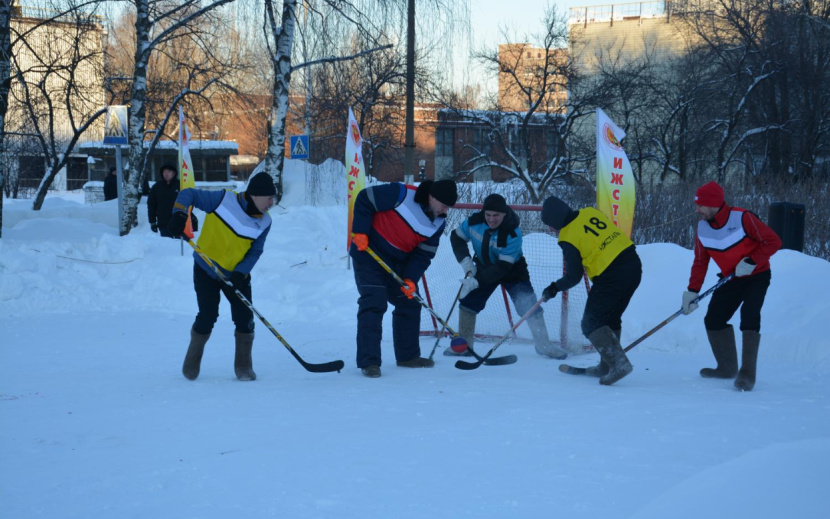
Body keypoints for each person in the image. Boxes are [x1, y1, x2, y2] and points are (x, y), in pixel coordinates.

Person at [167, 173, 276, 382]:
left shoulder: (265, 222)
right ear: (254, 195)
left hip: (236, 275)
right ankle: (192, 361)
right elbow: (188, 194)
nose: (272, 203)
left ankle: (243, 367)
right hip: (205, 268)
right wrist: (180, 214)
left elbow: (255, 252)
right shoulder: (223, 200)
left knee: (245, 319)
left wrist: (241, 273)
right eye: (269, 198)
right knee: (208, 315)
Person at [350, 179, 458, 378]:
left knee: (410, 303)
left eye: (449, 206)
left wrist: (410, 278)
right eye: (443, 204)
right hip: (369, 254)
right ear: (431, 197)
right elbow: (365, 198)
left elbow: (423, 254)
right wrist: (361, 231)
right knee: (374, 302)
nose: (446, 210)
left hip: (398, 264)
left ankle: (408, 357)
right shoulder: (400, 194)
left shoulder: (438, 223)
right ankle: (370, 362)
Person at [681, 181, 781, 391]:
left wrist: (752, 261)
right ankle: (726, 368)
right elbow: (700, 261)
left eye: (700, 205)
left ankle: (747, 375)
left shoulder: (743, 217)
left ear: (713, 204)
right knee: (714, 319)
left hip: (757, 275)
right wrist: (692, 291)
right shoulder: (702, 227)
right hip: (731, 278)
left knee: (749, 315)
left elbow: (773, 241)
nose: (697, 209)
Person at [446, 193, 567, 359]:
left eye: (496, 215)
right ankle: (465, 346)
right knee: (468, 303)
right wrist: (467, 263)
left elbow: (502, 267)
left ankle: (543, 345)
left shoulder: (513, 232)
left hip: (512, 271)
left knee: (528, 305)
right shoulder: (474, 222)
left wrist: (477, 281)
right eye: (488, 214)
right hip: (483, 266)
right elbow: (456, 237)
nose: (491, 219)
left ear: (504, 213)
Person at [541, 196, 642, 386]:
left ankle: (618, 364)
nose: (550, 230)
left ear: (554, 221)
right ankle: (607, 366)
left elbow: (573, 277)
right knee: (609, 318)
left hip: (611, 276)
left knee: (590, 323)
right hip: (633, 265)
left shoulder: (567, 237)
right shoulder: (589, 211)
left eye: (549, 225)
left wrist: (554, 288)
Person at [147, 164, 197, 238]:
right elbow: (151, 205)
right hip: (164, 224)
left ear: (174, 173)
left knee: (180, 246)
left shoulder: (181, 186)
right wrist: (152, 222)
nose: (166, 174)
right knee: (168, 246)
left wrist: (191, 218)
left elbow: (189, 203)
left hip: (180, 223)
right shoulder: (156, 187)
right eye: (164, 172)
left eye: (169, 172)